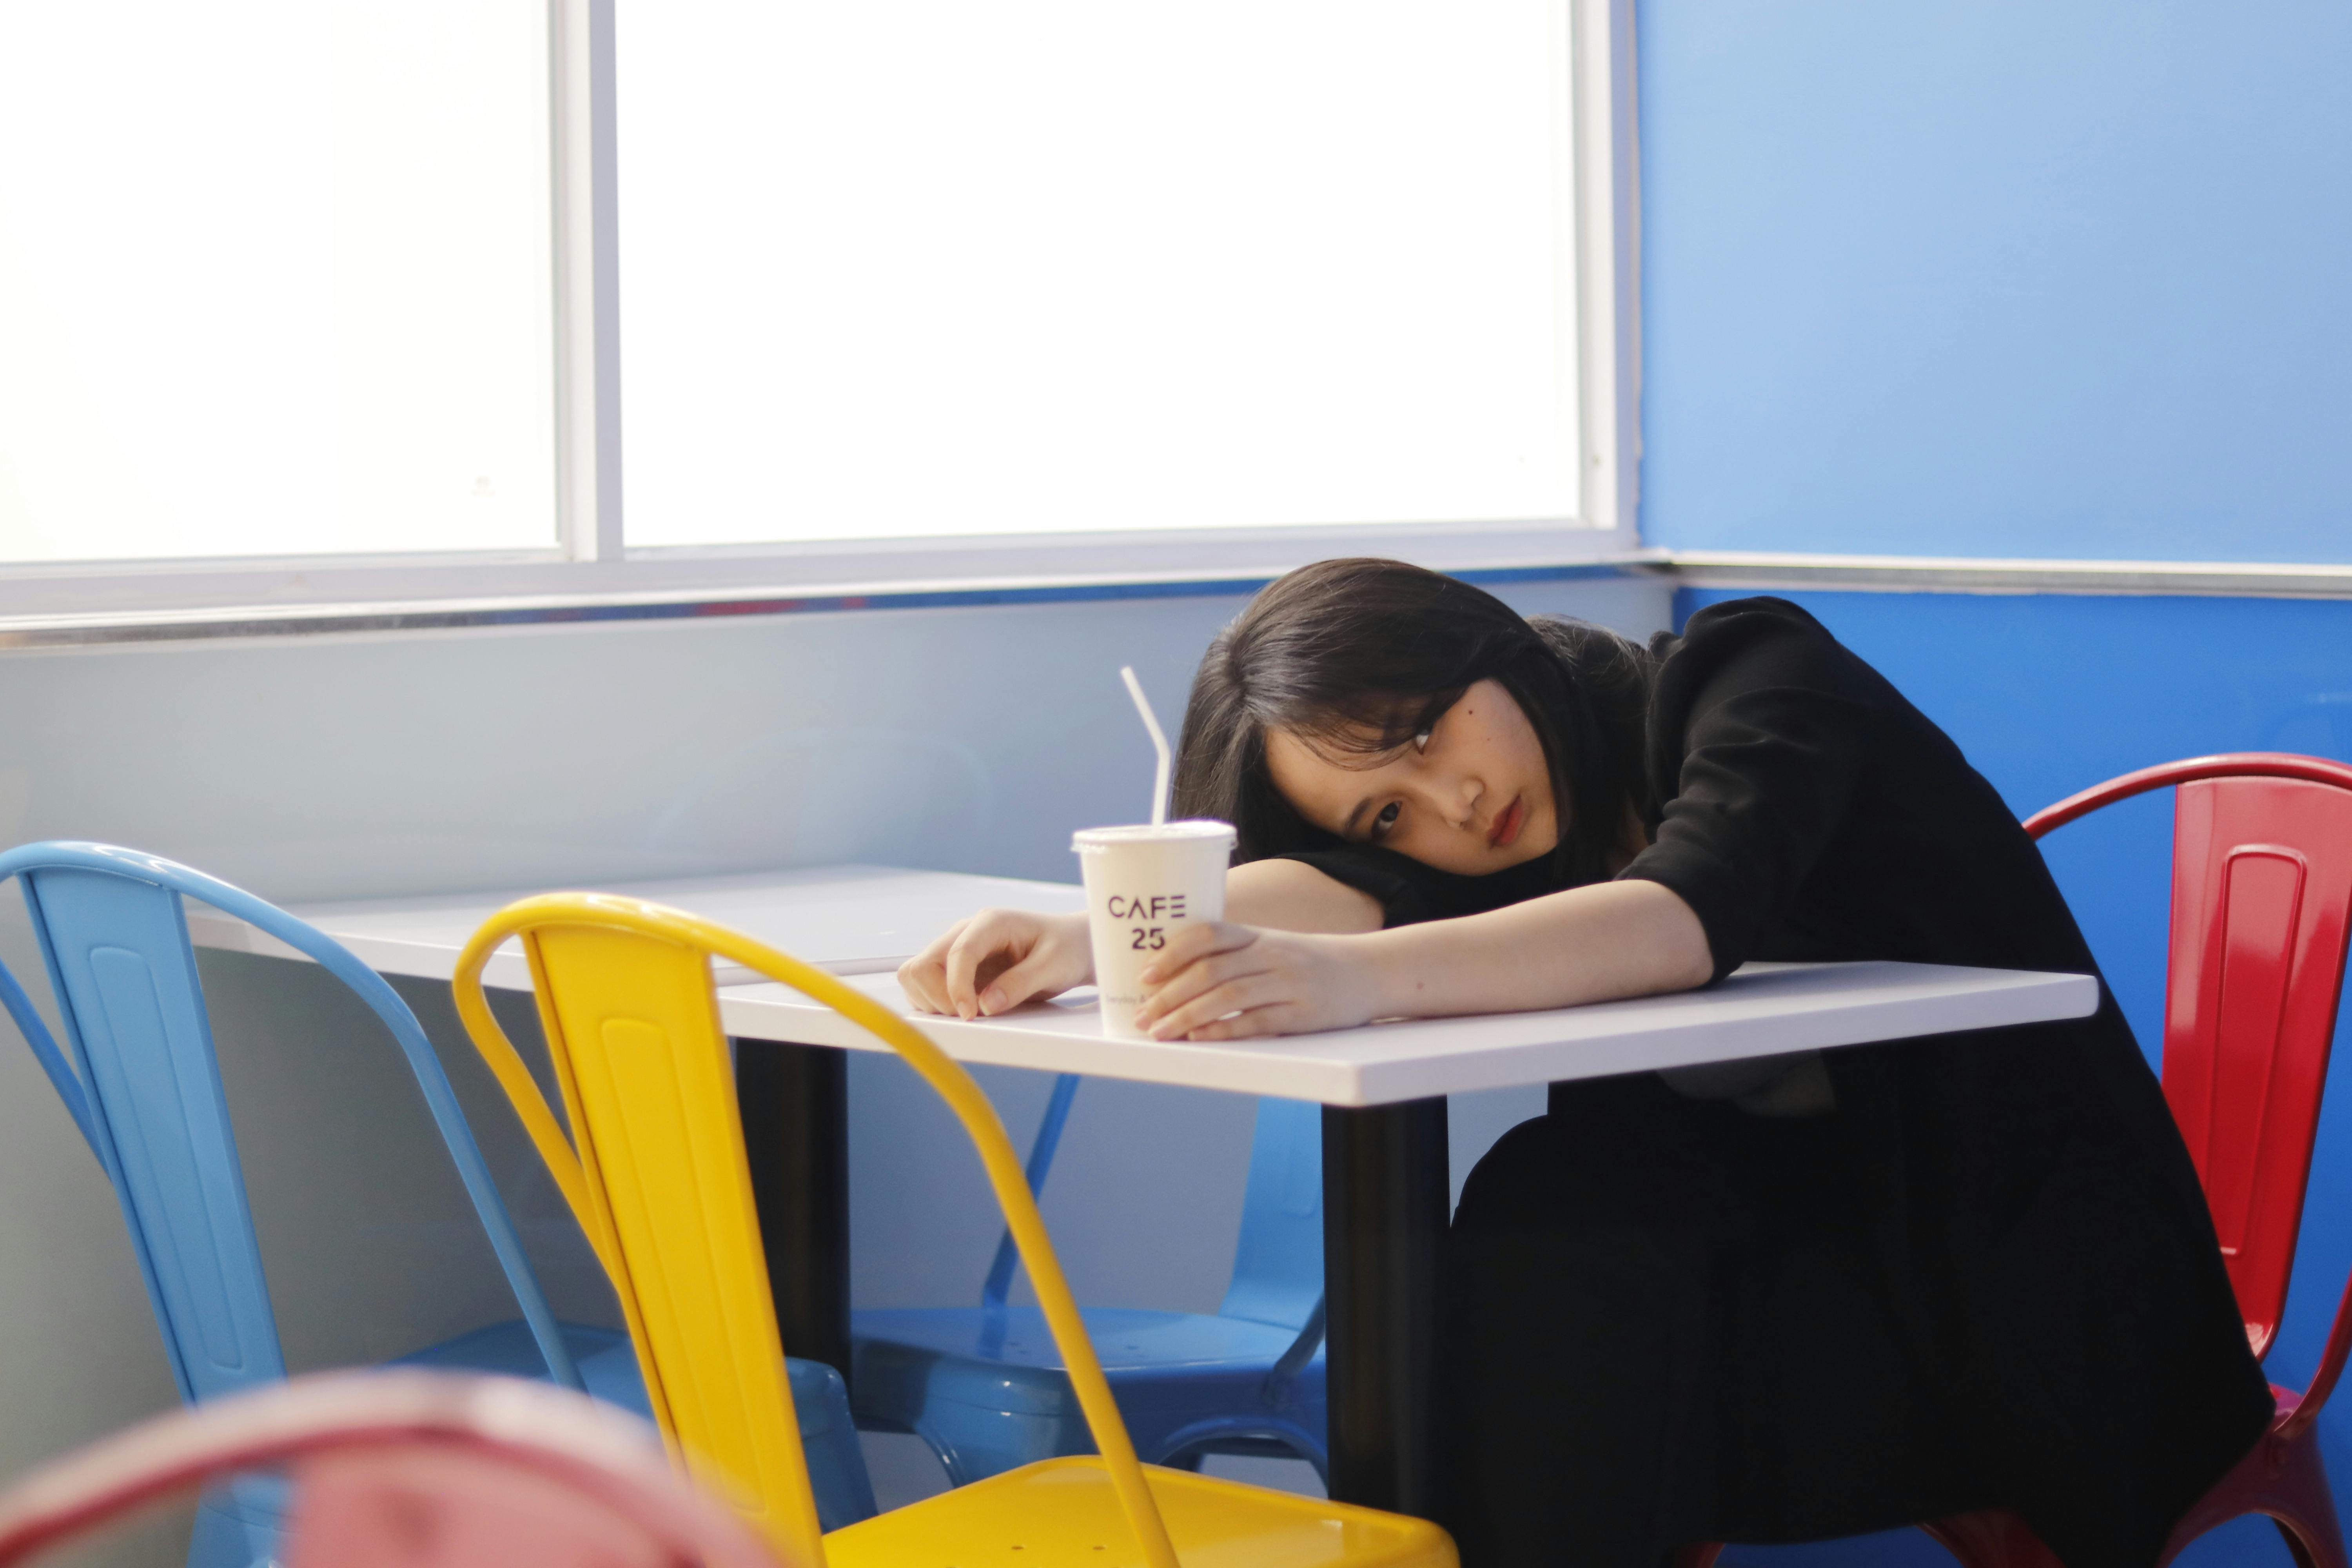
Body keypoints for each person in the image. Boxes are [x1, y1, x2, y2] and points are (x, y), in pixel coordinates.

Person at [897, 558, 2269, 1568]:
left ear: (1486, 649)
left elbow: (1690, 911)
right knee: (1552, 1210)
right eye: (1390, 808)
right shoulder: (1489, 856)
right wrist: (1106, 933)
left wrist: (1355, 983)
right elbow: (1334, 888)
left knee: (1560, 1273)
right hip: (1775, 1288)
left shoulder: (1749, 673)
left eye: (1430, 734)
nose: (1453, 808)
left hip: (2034, 1283)